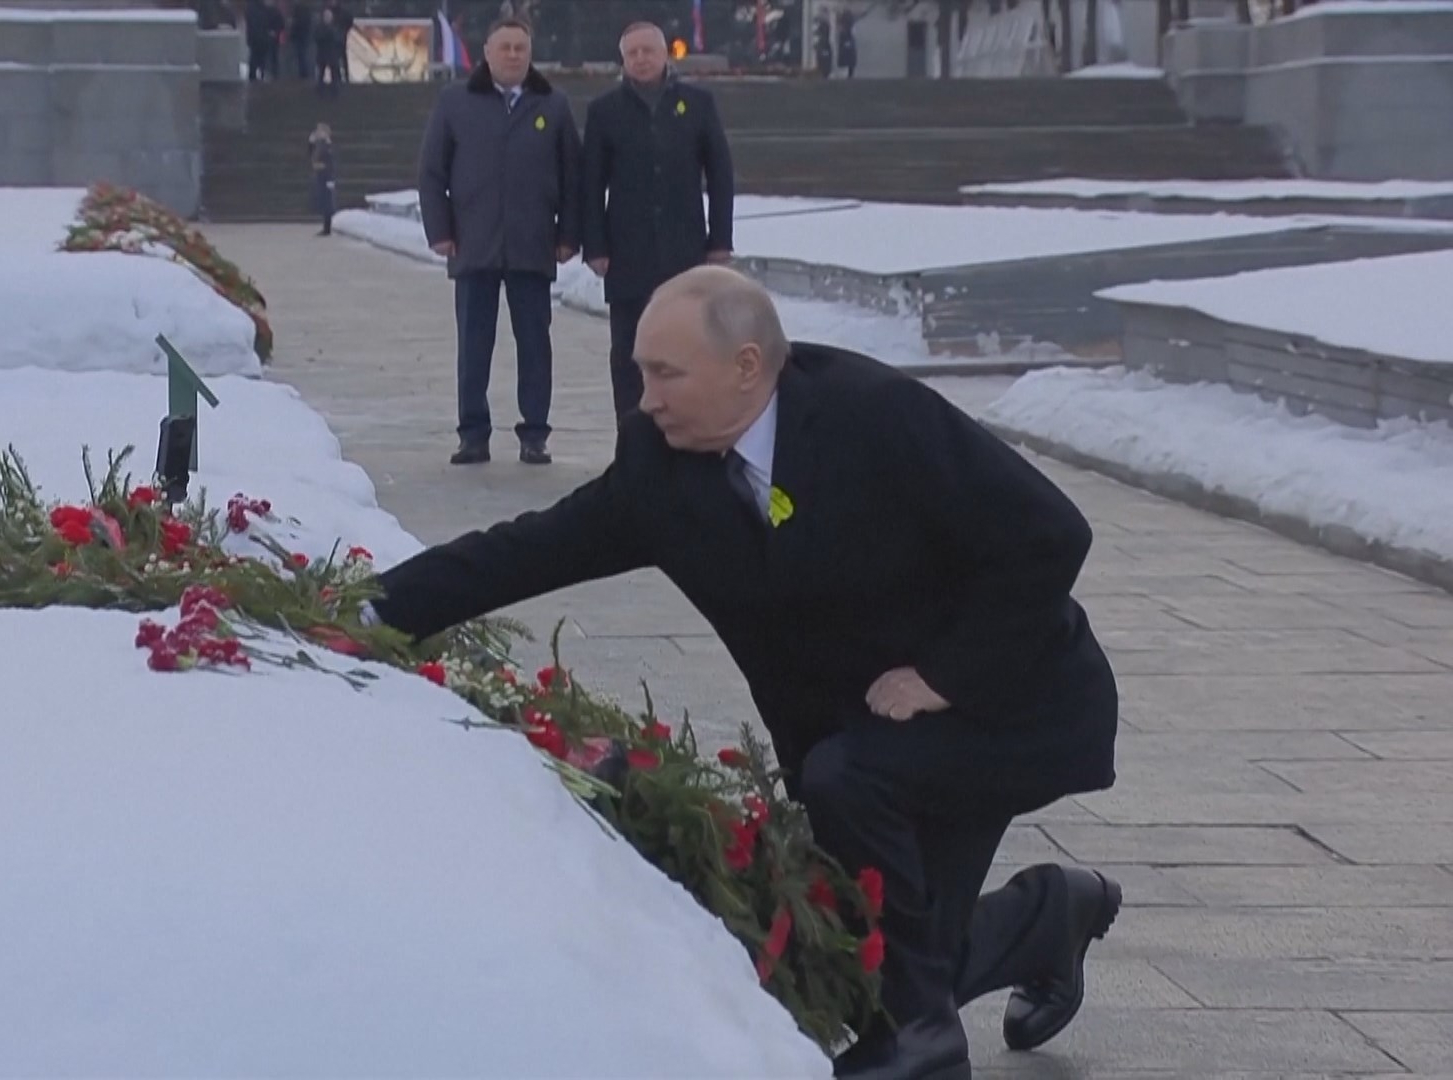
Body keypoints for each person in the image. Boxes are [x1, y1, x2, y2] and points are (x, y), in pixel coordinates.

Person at [368, 266, 1125, 1079]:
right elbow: (535, 548)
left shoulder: (874, 414)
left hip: (1010, 706)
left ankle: (919, 1044)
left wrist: (942, 676)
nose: (647, 399)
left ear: (747, 366)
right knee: (874, 947)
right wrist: (371, 608)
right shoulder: (661, 468)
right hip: (867, 739)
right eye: (641, 373)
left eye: (667, 374)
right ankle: (1046, 920)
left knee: (868, 854)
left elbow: (1049, 534)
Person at [417, 16, 581, 466]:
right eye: (504, 47)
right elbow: (432, 172)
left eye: (520, 48)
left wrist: (568, 235)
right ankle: (473, 434)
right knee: (474, 346)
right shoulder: (456, 103)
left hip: (533, 244)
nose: (512, 55)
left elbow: (573, 177)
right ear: (487, 53)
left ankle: (535, 434)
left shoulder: (553, 105)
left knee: (535, 345)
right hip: (474, 244)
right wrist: (440, 231)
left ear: (530, 54)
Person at [580, 22, 735, 425]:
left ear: (665, 54)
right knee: (629, 352)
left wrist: (720, 240)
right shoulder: (604, 111)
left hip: (685, 252)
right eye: (632, 53)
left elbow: (720, 174)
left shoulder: (698, 104)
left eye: (648, 51)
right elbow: (591, 183)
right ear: (623, 60)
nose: (641, 59)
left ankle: (687, 429)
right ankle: (633, 436)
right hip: (627, 255)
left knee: (688, 346)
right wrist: (595, 246)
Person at [307, 123, 336, 235]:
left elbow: (330, 163)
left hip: (326, 177)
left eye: (320, 131)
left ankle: (327, 228)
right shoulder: (320, 145)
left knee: (327, 203)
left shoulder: (328, 145)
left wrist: (322, 167)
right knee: (324, 202)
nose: (317, 133)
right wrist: (310, 143)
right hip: (321, 176)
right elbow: (311, 156)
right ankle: (325, 227)